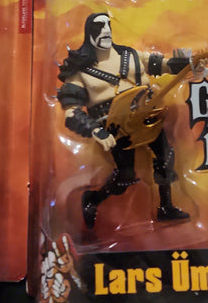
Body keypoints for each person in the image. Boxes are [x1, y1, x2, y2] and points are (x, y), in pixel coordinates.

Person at [57, 12, 197, 229]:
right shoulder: (80, 71)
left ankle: (166, 207)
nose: (105, 30)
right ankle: (93, 198)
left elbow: (163, 65)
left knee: (165, 158)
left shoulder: (130, 55)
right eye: (99, 27)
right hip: (115, 126)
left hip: (147, 116)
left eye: (107, 25)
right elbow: (71, 110)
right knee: (125, 176)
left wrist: (189, 64)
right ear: (89, 32)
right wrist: (95, 130)